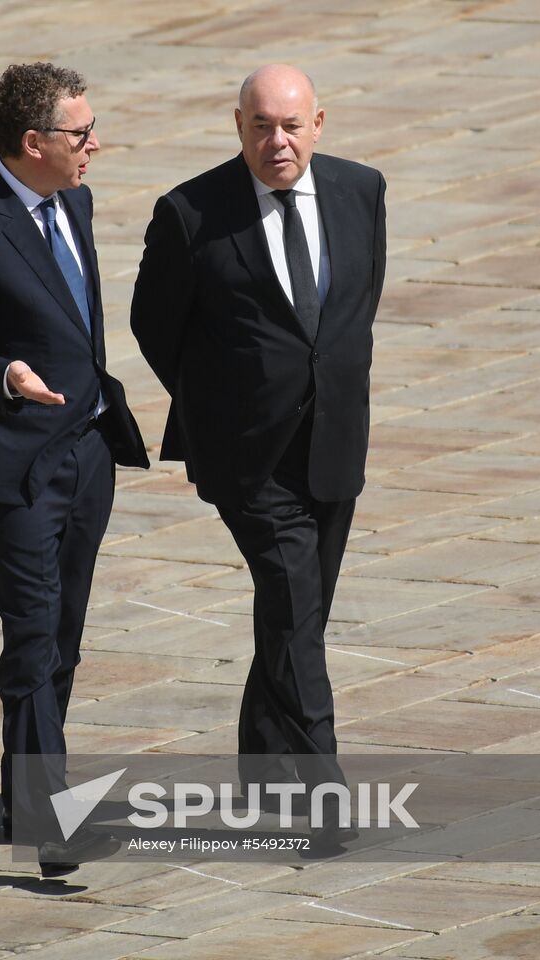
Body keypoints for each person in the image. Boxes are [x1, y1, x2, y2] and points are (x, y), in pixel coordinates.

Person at [130, 64, 386, 851]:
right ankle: (324, 796)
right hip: (247, 458)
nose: (277, 142)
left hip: (334, 443)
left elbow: (357, 302)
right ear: (238, 126)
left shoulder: (360, 191)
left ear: (319, 123)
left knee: (294, 615)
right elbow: (153, 325)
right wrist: (225, 402)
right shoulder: (190, 213)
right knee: (293, 603)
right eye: (260, 127)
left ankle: (264, 769)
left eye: (291, 125)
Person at [0, 62, 148, 876]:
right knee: (30, 634)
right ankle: (48, 821)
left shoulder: (75, 201)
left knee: (63, 637)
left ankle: (25, 797)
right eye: (82, 133)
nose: (97, 145)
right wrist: (5, 376)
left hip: (88, 451)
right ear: (34, 142)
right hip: (17, 463)